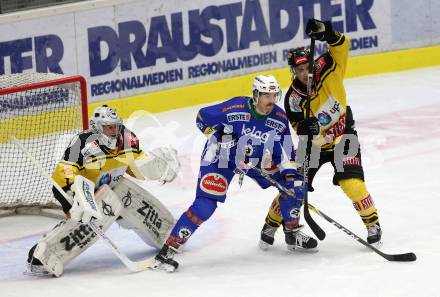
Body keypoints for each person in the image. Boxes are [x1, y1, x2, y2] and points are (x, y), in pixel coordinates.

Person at [151, 74, 318, 272]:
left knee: (296, 184)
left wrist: (289, 175)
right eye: (266, 96)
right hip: (219, 159)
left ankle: (291, 232)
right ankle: (168, 249)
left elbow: (285, 151)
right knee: (205, 205)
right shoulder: (234, 108)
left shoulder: (279, 119)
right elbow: (202, 117)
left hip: (253, 160)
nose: (271, 101)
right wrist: (220, 137)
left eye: (274, 96)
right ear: (255, 95)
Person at [259, 19, 382, 249]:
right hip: (313, 146)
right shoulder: (293, 98)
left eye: (308, 67)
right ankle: (270, 224)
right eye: (299, 70)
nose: (305, 73)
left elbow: (342, 45)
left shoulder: (330, 67)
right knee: (293, 186)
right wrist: (306, 129)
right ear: (293, 71)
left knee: (352, 184)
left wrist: (328, 33)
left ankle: (372, 224)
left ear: (315, 63)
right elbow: (297, 127)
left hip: (343, 136)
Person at [26, 105, 180, 277]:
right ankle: (44, 255)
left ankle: (166, 233)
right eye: (108, 127)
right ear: (97, 127)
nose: (113, 131)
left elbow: (133, 166)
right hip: (78, 189)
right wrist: (76, 195)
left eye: (115, 126)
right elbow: (64, 171)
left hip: (112, 185)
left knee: (127, 195)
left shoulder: (127, 139)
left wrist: (157, 166)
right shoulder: (82, 142)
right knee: (85, 220)